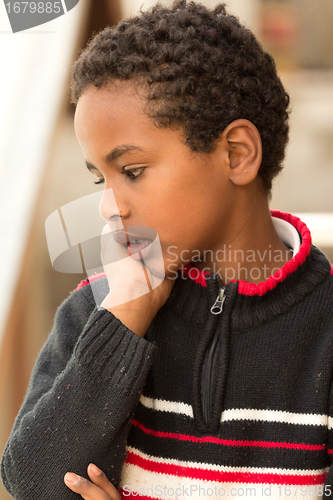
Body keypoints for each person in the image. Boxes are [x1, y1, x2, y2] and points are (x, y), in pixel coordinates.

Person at [2, 0, 333, 499]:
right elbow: (33, 483)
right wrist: (124, 319)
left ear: (237, 153)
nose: (108, 207)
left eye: (131, 171)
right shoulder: (99, 311)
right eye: (100, 178)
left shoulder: (325, 327)